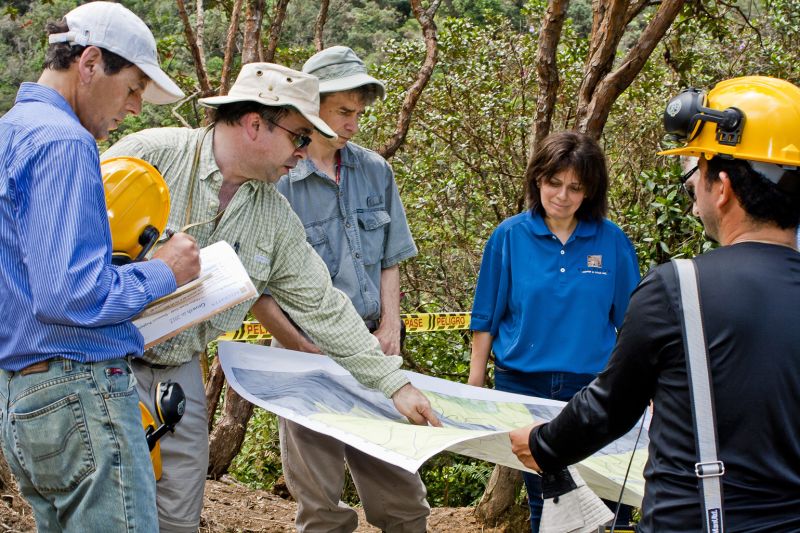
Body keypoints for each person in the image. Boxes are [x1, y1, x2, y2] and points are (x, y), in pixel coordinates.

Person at [102, 62, 441, 533]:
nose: (303, 152)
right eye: (299, 136)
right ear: (256, 123)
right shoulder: (150, 156)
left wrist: (395, 386)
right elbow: (65, 252)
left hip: (178, 373)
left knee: (176, 517)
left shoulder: (274, 216)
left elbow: (323, 307)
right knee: (104, 512)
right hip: (102, 364)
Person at [510, 76, 800, 531]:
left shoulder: (679, 288)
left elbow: (610, 406)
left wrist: (544, 444)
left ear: (721, 187)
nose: (693, 199)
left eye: (692, 181)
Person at [0, 2, 200, 531]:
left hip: (24, 398)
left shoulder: (11, 131)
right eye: (133, 87)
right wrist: (164, 270)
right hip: (78, 391)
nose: (135, 107)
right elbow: (70, 294)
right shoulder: (66, 141)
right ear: (89, 62)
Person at [255, 46, 429, 532]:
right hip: (302, 358)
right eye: (344, 112)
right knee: (320, 507)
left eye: (359, 113)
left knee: (402, 498)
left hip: (372, 347)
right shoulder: (277, 181)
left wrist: (391, 327)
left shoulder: (375, 169)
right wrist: (300, 347)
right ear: (312, 109)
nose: (354, 123)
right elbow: (256, 289)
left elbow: (391, 258)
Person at [468, 131, 640, 531]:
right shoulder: (509, 236)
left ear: (589, 192)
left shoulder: (611, 241)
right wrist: (476, 379)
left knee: (607, 498)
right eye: (554, 182)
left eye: (575, 187)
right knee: (547, 501)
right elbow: (486, 314)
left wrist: (644, 384)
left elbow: (632, 323)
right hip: (523, 388)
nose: (562, 195)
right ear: (537, 181)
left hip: (593, 388)